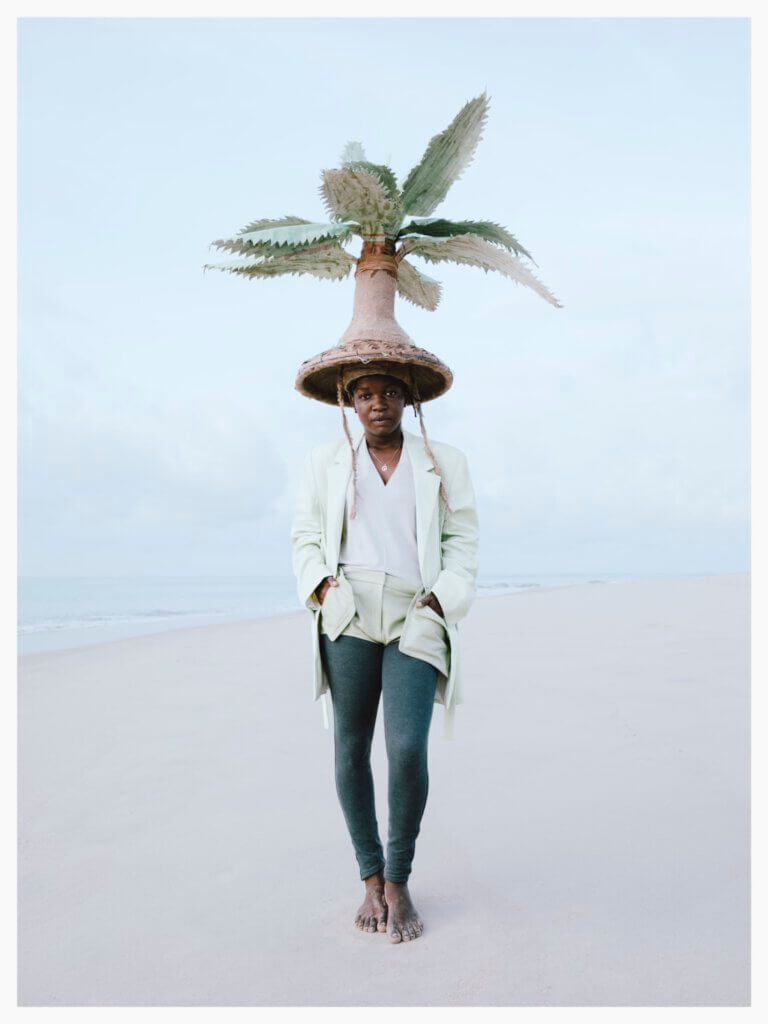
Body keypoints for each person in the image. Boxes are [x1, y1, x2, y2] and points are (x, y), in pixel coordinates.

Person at [291, 357, 479, 945]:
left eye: (390, 393)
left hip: (414, 612)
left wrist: (440, 601)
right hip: (347, 612)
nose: (378, 404)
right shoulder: (326, 461)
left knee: (405, 748)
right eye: (366, 394)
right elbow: (304, 534)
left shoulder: (443, 462)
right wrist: (323, 587)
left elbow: (462, 539)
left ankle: (399, 878)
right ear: (350, 402)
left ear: (409, 399)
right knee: (350, 748)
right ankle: (369, 876)